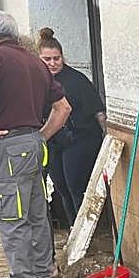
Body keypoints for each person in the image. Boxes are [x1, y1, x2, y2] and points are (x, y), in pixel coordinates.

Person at [0, 10, 71, 278]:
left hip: (9, 147)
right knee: (36, 215)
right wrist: (41, 136)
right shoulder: (34, 62)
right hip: (34, 146)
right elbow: (63, 108)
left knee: (10, 216)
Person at [37, 27, 106, 224]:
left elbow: (99, 112)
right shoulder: (37, 80)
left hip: (80, 139)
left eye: (56, 58)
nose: (52, 63)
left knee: (76, 186)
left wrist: (104, 135)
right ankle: (73, 230)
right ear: (39, 59)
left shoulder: (77, 80)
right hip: (53, 141)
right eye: (47, 59)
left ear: (62, 57)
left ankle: (87, 232)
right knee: (62, 189)